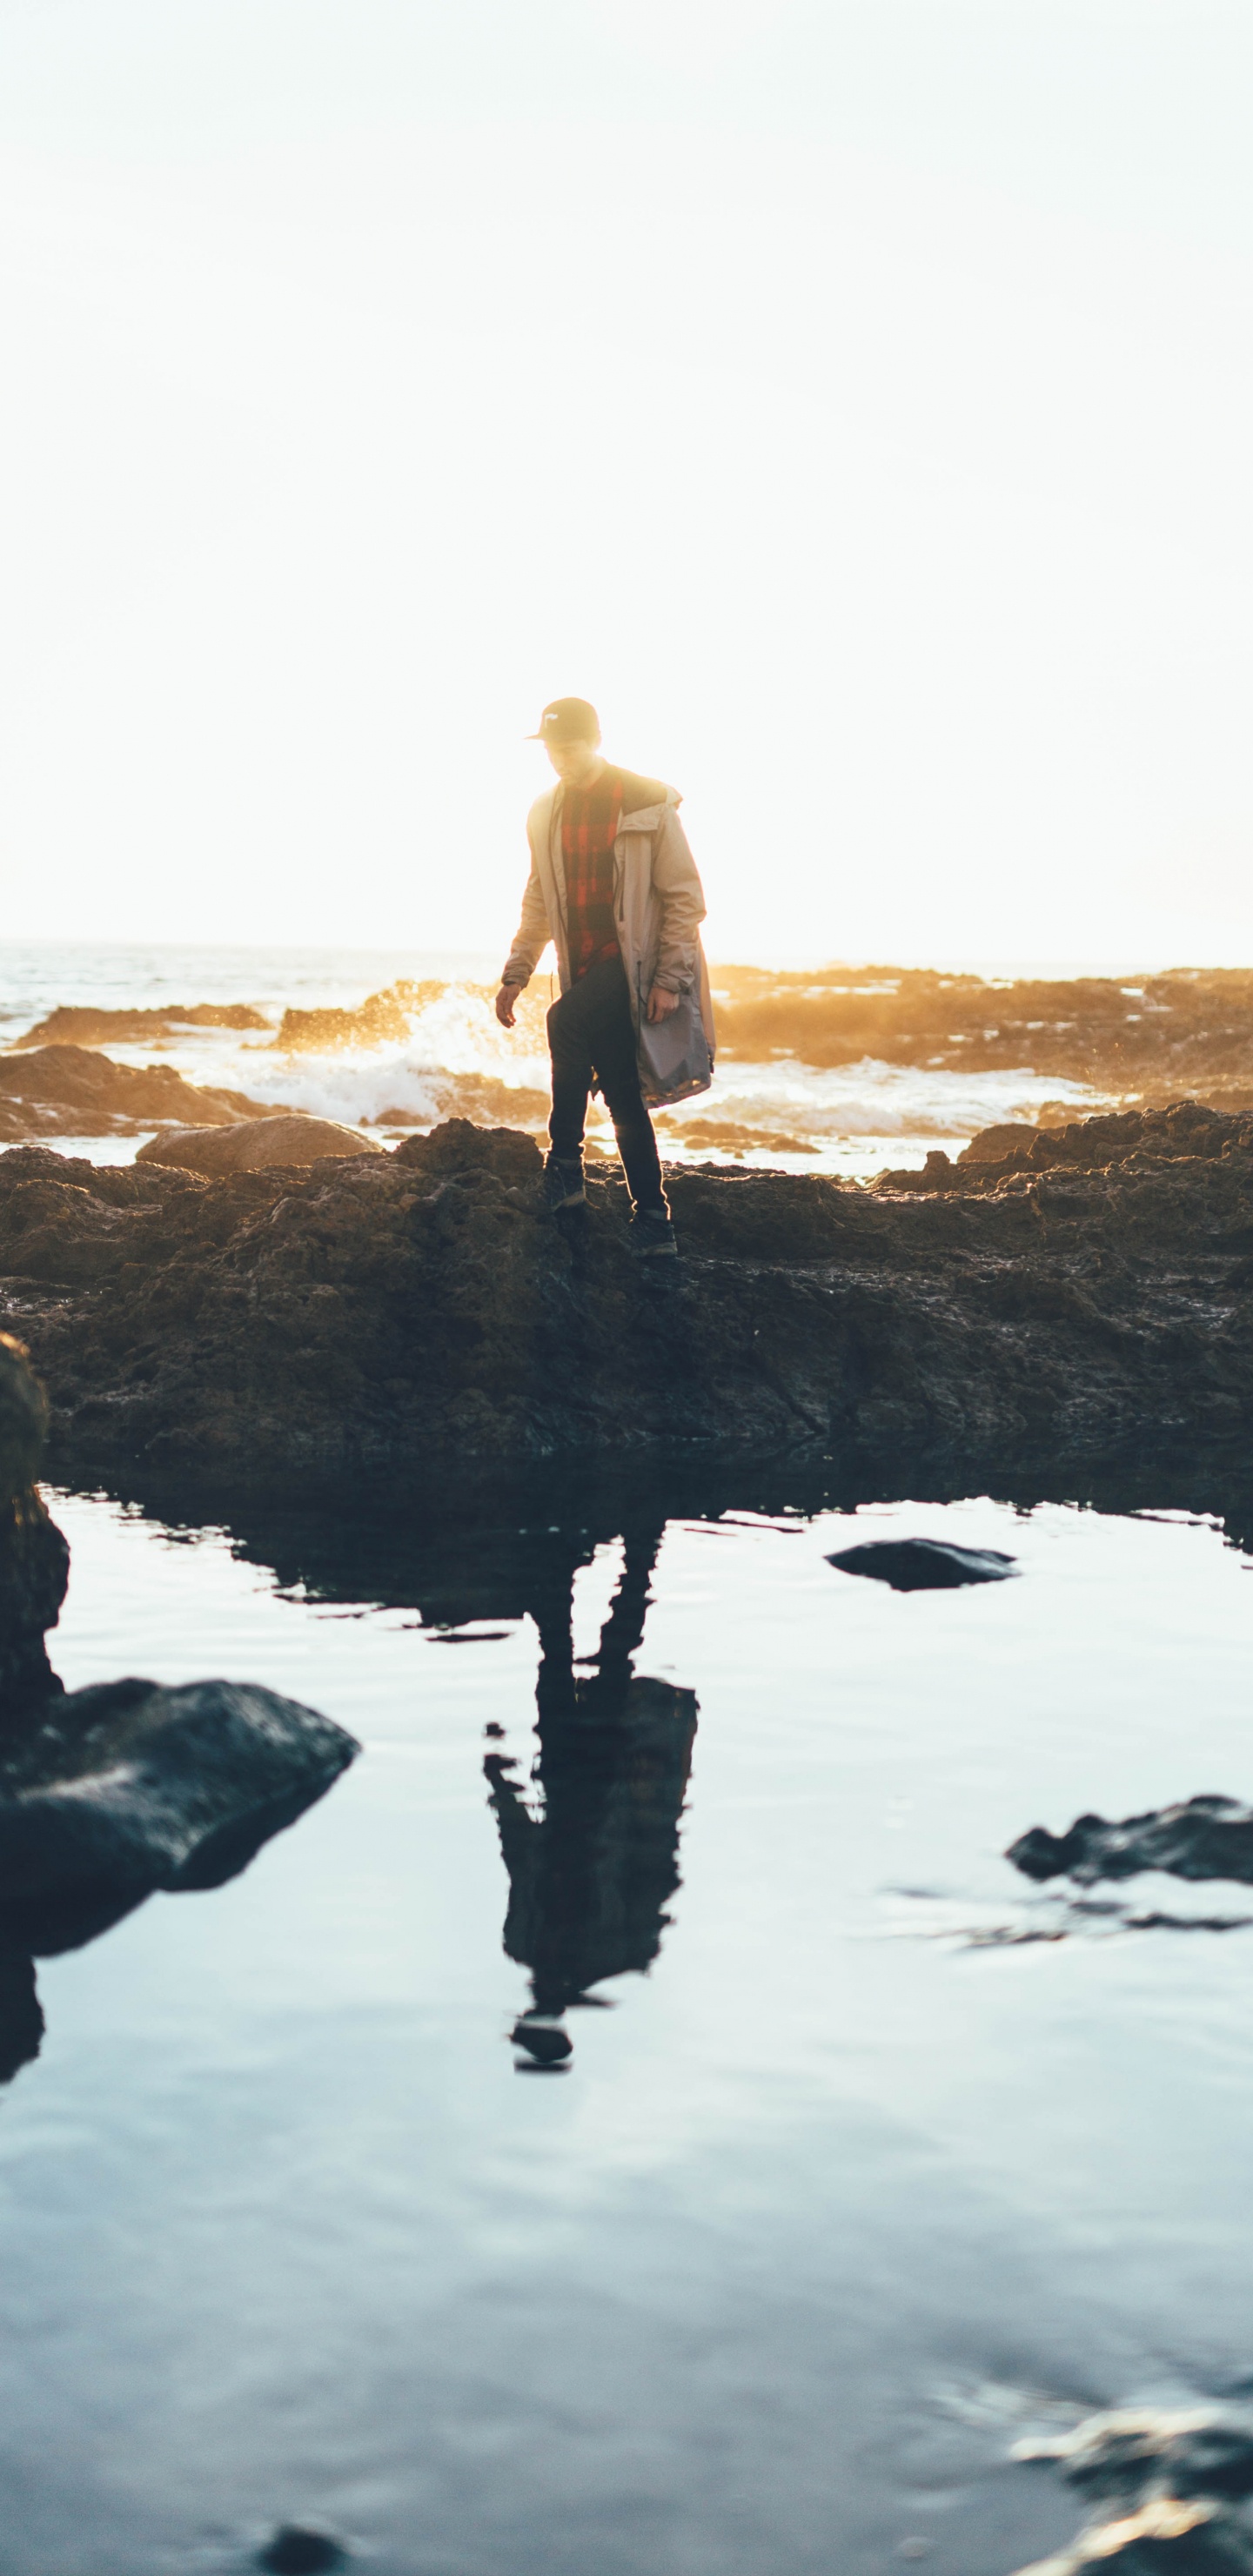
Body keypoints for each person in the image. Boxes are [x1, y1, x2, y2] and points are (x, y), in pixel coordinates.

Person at [495, 697, 714, 1259]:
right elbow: (539, 898)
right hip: (584, 966)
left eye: (569, 749)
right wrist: (517, 972)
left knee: (563, 1022)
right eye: (551, 750)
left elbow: (684, 898)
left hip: (635, 963)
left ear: (594, 742)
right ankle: (655, 1222)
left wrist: (669, 978)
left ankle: (565, 1166)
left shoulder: (646, 803)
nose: (560, 760)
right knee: (620, 1090)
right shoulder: (546, 812)